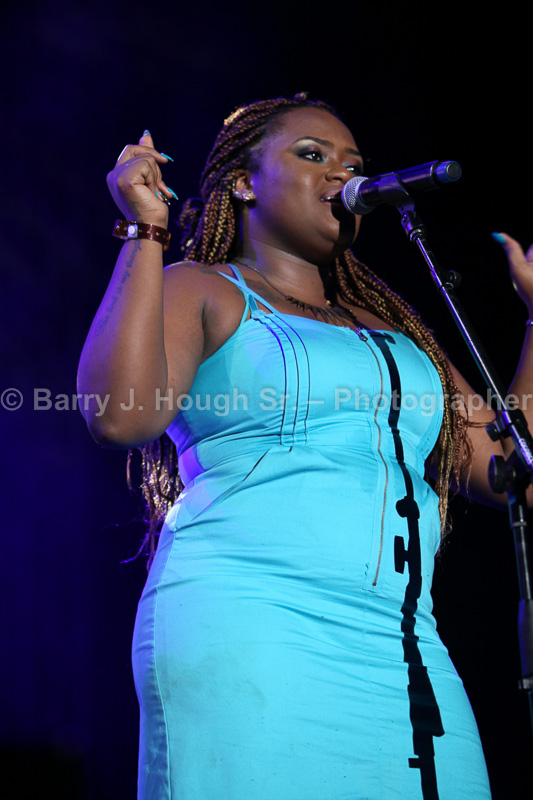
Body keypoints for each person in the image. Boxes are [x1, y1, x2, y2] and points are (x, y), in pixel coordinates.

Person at [78, 93, 533, 800]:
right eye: (312, 155)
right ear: (242, 183)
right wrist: (145, 230)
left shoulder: (396, 334)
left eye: (353, 163)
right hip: (250, 624)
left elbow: (509, 471)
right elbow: (118, 417)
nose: (341, 174)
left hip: (405, 649)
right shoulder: (203, 288)